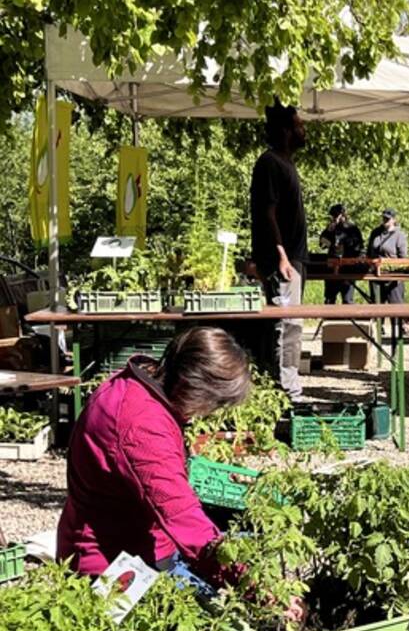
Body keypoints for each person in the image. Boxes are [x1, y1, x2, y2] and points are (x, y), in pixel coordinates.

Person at [57, 329, 252, 583]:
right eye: (215, 404)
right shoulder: (142, 426)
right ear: (195, 388)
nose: (210, 413)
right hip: (115, 566)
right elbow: (182, 518)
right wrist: (251, 584)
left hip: (121, 537)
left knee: (246, 539)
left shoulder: (136, 383)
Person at [251, 101, 307, 400]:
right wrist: (281, 256)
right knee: (287, 326)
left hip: (293, 258)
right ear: (285, 131)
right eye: (299, 125)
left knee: (292, 324)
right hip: (282, 262)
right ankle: (284, 392)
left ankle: (283, 387)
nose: (304, 130)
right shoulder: (270, 163)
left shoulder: (286, 163)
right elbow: (267, 212)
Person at [319, 203, 364, 304]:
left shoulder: (352, 229)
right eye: (333, 216)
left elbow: (358, 248)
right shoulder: (330, 228)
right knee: (329, 299)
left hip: (348, 268)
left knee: (347, 300)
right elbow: (322, 244)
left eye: (336, 215)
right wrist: (328, 233)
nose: (334, 218)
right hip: (332, 268)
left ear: (343, 215)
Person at [366, 209, 409, 304]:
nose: (385, 220)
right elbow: (369, 252)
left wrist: (391, 265)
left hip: (393, 277)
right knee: (376, 306)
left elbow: (403, 257)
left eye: (388, 219)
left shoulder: (399, 235)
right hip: (375, 276)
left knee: (395, 308)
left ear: (394, 220)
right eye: (384, 218)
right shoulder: (375, 233)